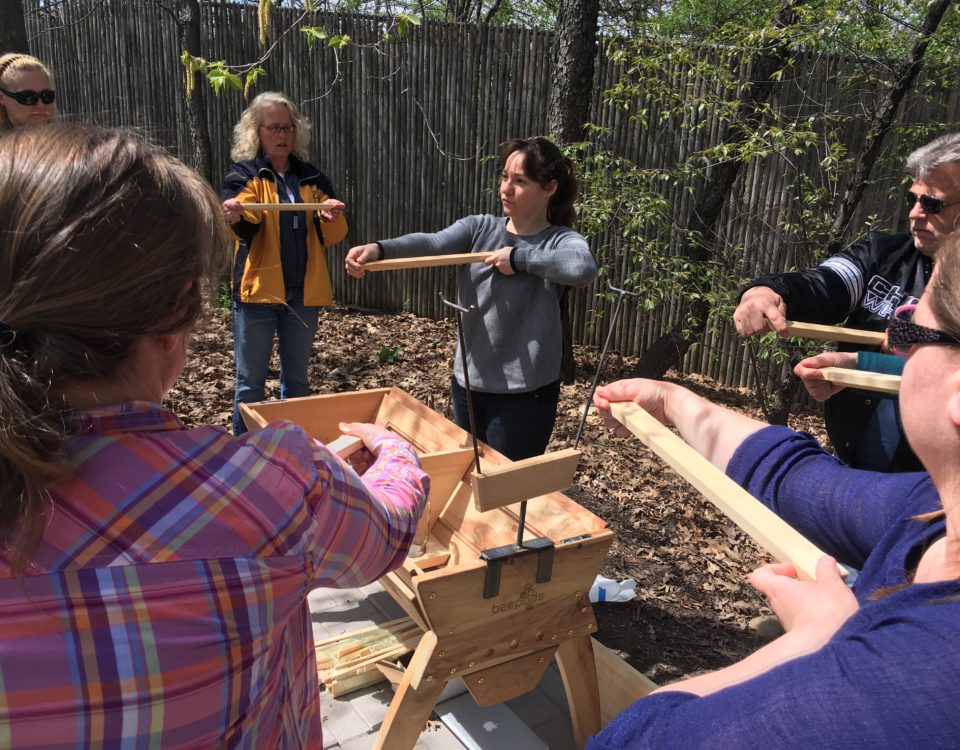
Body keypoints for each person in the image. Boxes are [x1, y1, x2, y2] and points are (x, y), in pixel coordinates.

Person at [0, 124, 428, 748]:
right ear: (177, 314)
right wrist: (395, 453)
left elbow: (330, 232)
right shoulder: (278, 486)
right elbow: (386, 533)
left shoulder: (279, 484)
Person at [587, 233, 960, 747]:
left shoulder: (893, 686)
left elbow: (633, 740)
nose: (893, 352)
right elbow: (800, 480)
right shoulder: (931, 512)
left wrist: (817, 638)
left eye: (906, 333)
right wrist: (673, 403)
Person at [345, 136, 597, 460]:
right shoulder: (480, 228)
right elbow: (433, 243)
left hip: (525, 396)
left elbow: (583, 266)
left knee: (507, 486)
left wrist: (520, 259)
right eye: (505, 177)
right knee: (469, 475)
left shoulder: (560, 240)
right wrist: (380, 249)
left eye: (520, 181)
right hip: (468, 384)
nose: (506, 188)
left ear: (549, 187)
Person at [732, 132, 960, 472]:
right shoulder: (882, 253)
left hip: (933, 488)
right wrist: (768, 291)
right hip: (856, 465)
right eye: (913, 199)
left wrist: (863, 363)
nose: (914, 214)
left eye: (932, 204)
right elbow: (828, 282)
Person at [222, 91, 347, 435]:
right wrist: (235, 215)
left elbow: (332, 235)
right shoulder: (245, 174)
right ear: (256, 132)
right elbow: (247, 225)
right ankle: (243, 456)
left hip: (302, 295)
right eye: (274, 128)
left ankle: (292, 454)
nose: (282, 136)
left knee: (297, 384)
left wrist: (330, 215)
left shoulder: (312, 177)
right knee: (250, 385)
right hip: (258, 294)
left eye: (288, 128)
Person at [0, 52, 55, 129]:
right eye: (28, 97)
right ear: (1, 97)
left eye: (47, 96)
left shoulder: (69, 139)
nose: (41, 105)